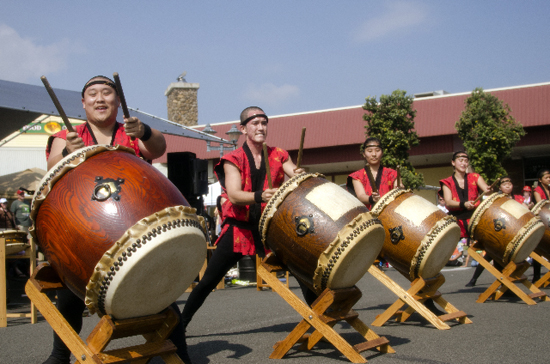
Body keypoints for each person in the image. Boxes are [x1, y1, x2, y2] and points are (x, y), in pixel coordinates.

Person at [41, 75, 183, 364]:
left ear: (118, 102)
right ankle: (59, 355)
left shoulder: (131, 132)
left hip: (134, 229)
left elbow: (158, 148)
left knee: (163, 298)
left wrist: (143, 130)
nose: (100, 99)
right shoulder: (67, 135)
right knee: (69, 295)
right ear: (83, 103)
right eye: (92, 94)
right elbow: (50, 170)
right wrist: (68, 151)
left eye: (107, 93)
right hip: (84, 230)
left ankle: (182, 355)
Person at [178, 106, 306, 363]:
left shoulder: (278, 154)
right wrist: (260, 196)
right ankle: (179, 327)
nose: (261, 127)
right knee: (208, 281)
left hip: (270, 227)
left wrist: (299, 175)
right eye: (255, 122)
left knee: (302, 268)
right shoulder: (233, 158)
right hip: (240, 229)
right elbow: (235, 194)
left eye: (264, 123)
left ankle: (321, 318)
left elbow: (293, 172)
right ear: (245, 128)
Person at [439, 151, 490, 287]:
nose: (463, 163)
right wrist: (463, 204)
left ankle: (474, 279)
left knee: (490, 248)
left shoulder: (475, 177)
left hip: (475, 219)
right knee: (441, 248)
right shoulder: (447, 182)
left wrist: (489, 189)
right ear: (453, 162)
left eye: (466, 160)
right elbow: (448, 202)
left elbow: (486, 189)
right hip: (457, 220)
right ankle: (429, 278)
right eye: (460, 160)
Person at [346, 137, 399, 209]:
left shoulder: (393, 173)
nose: (374, 154)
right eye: (370, 151)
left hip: (389, 212)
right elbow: (361, 196)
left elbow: (398, 187)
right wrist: (371, 199)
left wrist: (400, 189)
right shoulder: (357, 176)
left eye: (377, 150)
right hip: (367, 216)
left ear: (382, 153)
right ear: (364, 154)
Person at [531, 168, 550, 284]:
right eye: (546, 178)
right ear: (540, 180)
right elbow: (541, 205)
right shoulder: (537, 190)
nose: (549, 179)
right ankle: (536, 276)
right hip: (541, 220)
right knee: (538, 248)